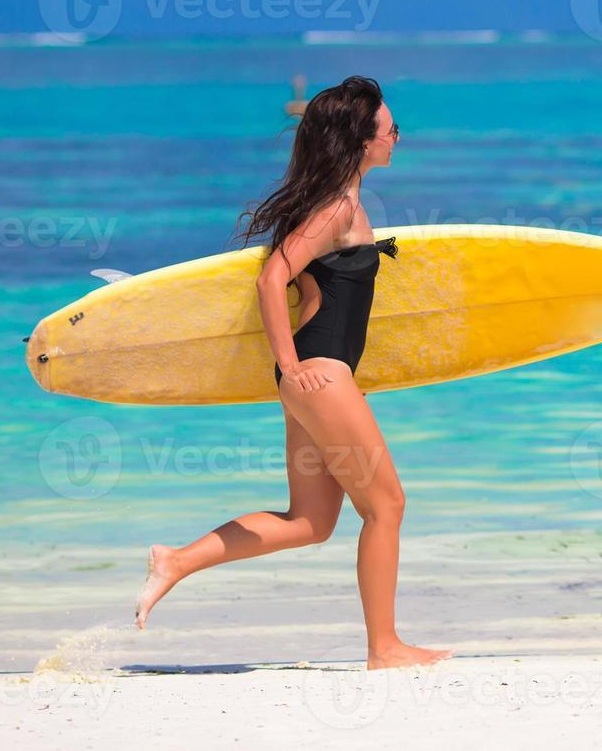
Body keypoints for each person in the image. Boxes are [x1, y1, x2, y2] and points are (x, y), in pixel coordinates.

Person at [132, 76, 448, 670]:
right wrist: (293, 366)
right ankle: (385, 648)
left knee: (310, 521)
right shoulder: (337, 208)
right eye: (390, 128)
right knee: (386, 506)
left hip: (314, 379)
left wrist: (295, 374)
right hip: (321, 375)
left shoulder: (328, 202)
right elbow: (271, 277)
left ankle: (176, 560)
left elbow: (311, 292)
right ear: (361, 138)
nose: (397, 137)